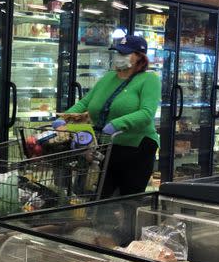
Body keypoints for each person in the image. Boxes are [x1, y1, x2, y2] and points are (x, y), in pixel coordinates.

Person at [54, 34, 160, 198]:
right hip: (106, 146)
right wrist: (64, 118)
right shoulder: (108, 77)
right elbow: (85, 103)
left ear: (139, 57)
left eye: (124, 54)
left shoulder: (149, 80)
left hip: (137, 148)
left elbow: (147, 113)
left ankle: (126, 223)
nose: (119, 57)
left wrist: (117, 124)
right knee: (99, 197)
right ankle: (103, 223)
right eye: (118, 52)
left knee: (128, 200)